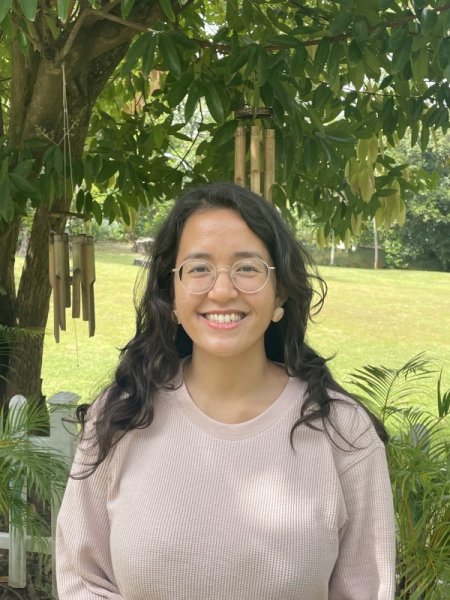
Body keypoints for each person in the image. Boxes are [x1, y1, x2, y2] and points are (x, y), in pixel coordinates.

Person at [56, 182, 396, 599]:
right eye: (199, 268)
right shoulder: (121, 416)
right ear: (171, 291)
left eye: (247, 268)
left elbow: (366, 588)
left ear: (280, 291)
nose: (221, 291)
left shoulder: (342, 431)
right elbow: (84, 580)